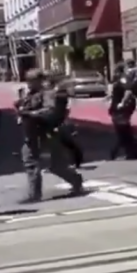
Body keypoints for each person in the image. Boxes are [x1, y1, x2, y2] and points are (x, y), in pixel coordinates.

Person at [16, 68, 84, 203]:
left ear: (39, 80)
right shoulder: (31, 94)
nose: (29, 83)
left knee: (45, 163)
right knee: (38, 161)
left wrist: (30, 114)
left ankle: (35, 194)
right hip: (33, 133)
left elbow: (49, 110)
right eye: (28, 80)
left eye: (32, 80)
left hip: (45, 132)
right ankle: (36, 193)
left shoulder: (47, 93)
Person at [44, 71, 83, 168]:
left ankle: (76, 160)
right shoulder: (54, 91)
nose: (46, 83)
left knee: (65, 141)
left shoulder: (59, 91)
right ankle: (58, 163)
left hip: (59, 119)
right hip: (54, 119)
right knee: (55, 142)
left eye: (47, 81)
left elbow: (62, 106)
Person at [109, 61, 137, 160]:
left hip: (122, 109)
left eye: (115, 71)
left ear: (119, 71)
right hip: (117, 108)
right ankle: (129, 151)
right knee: (122, 130)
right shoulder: (119, 80)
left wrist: (122, 103)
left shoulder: (123, 79)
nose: (114, 73)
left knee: (123, 130)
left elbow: (128, 91)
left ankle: (132, 152)